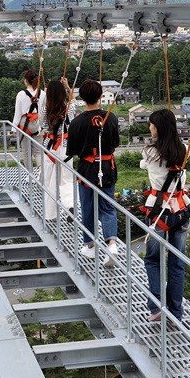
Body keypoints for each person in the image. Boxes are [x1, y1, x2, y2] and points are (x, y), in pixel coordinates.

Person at [140, 109, 190, 322]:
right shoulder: (184, 149)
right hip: (180, 209)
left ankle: (157, 306)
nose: (150, 128)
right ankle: (175, 311)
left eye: (151, 124)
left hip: (158, 210)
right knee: (177, 262)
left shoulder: (150, 152)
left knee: (153, 260)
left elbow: (144, 165)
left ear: (158, 128)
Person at [66, 79, 120, 266]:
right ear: (100, 96)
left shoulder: (77, 122)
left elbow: (71, 150)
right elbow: (115, 144)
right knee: (107, 206)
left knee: (87, 205)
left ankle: (90, 246)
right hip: (107, 167)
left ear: (82, 98)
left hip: (87, 169)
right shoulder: (110, 118)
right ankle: (112, 243)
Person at [39, 78, 78, 221]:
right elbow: (74, 101)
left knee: (51, 182)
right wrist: (68, 87)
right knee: (67, 180)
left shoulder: (45, 110)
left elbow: (42, 126)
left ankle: (50, 215)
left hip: (50, 148)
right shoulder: (69, 108)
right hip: (67, 147)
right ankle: (70, 205)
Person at [13, 69, 42, 151]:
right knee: (39, 152)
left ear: (26, 80)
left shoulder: (21, 94)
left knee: (26, 152)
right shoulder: (42, 93)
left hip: (25, 124)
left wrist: (14, 128)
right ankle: (40, 164)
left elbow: (17, 113)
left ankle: (28, 164)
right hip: (38, 123)